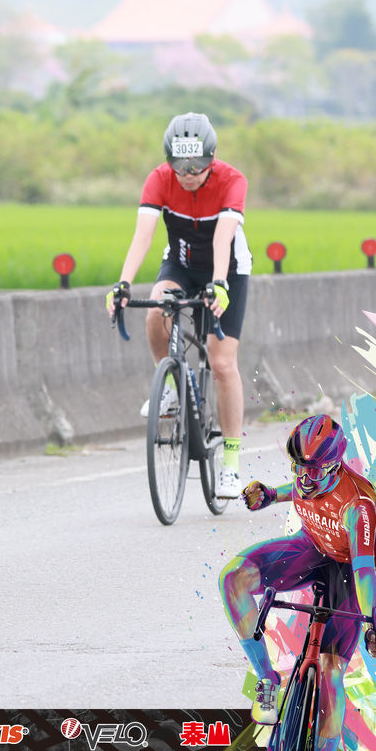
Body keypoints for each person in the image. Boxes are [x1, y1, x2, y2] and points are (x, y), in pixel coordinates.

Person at [219, 415, 376, 751]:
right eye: (299, 468)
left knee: (329, 675)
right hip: (310, 548)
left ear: (335, 466)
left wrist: (373, 622)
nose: (305, 479)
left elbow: (363, 571)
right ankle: (267, 679)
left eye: (314, 471)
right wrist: (270, 495)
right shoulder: (308, 475)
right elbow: (297, 489)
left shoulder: (358, 506)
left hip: (348, 571)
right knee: (232, 579)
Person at [105, 112, 252, 498]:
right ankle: (170, 385)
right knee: (157, 308)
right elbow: (143, 236)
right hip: (181, 264)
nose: (187, 174)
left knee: (222, 363)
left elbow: (223, 238)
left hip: (228, 269)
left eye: (196, 166)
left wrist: (218, 284)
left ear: (212, 158)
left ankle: (231, 465)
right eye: (179, 165)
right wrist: (123, 283)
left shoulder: (232, 180)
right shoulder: (159, 179)